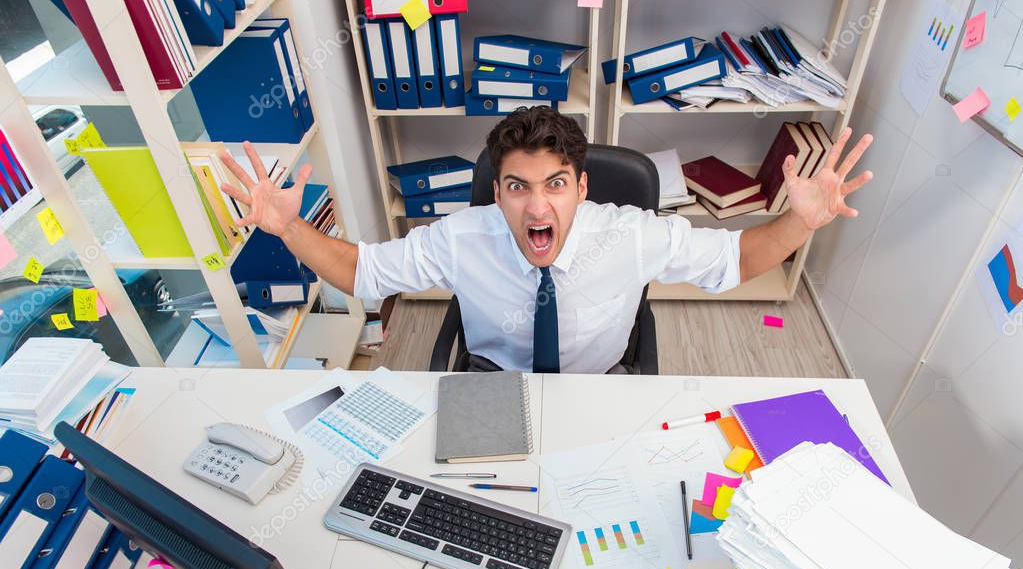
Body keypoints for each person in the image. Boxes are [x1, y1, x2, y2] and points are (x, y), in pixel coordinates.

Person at [218, 107, 873, 374]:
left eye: (555, 184)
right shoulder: (461, 236)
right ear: (496, 191)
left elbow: (734, 261)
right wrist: (288, 226)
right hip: (494, 385)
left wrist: (798, 222)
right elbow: (363, 273)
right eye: (517, 186)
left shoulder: (627, 234)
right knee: (472, 514)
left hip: (598, 384)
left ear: (581, 188)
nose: (537, 204)